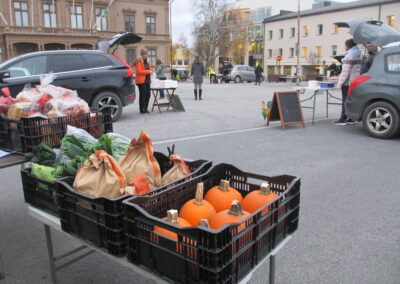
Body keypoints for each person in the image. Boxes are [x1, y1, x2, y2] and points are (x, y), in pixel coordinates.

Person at [335, 39, 361, 125]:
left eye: (345, 45)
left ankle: (343, 118)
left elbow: (345, 72)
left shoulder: (350, 54)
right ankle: (351, 118)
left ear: (348, 46)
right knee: (352, 100)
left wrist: (339, 83)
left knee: (345, 100)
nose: (344, 47)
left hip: (347, 82)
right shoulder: (358, 53)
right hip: (355, 81)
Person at [135, 49, 153, 114]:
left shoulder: (148, 62)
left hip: (148, 80)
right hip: (141, 81)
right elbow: (139, 71)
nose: (145, 55)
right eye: (143, 54)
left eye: (146, 54)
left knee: (148, 95)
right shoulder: (138, 61)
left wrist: (151, 71)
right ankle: (142, 109)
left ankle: (146, 108)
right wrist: (148, 71)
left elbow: (151, 69)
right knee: (143, 95)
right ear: (141, 54)